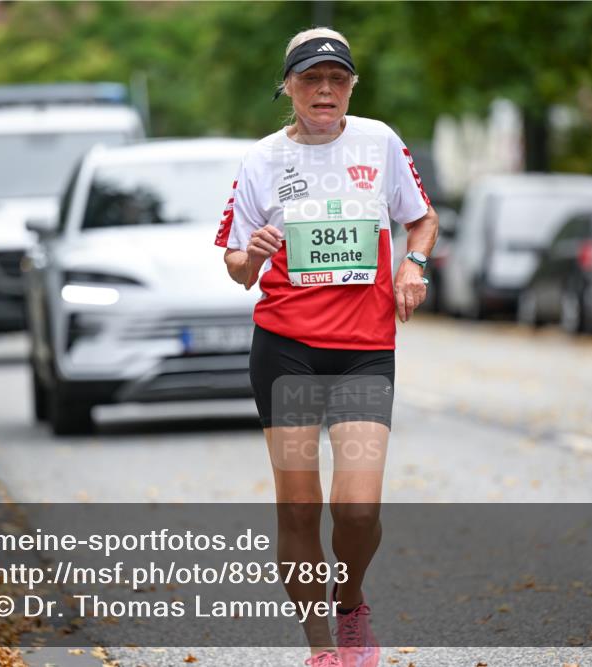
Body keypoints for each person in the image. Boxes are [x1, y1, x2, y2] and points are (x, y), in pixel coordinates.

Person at [216, 27, 438, 667]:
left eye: (337, 79)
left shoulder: (380, 142)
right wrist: (248, 255)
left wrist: (413, 266)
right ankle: (323, 651)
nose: (324, 90)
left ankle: (352, 603)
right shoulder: (261, 159)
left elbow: (420, 215)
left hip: (365, 348)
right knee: (300, 505)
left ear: (351, 87)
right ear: (287, 87)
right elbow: (235, 265)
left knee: (358, 506)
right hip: (285, 346)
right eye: (310, 78)